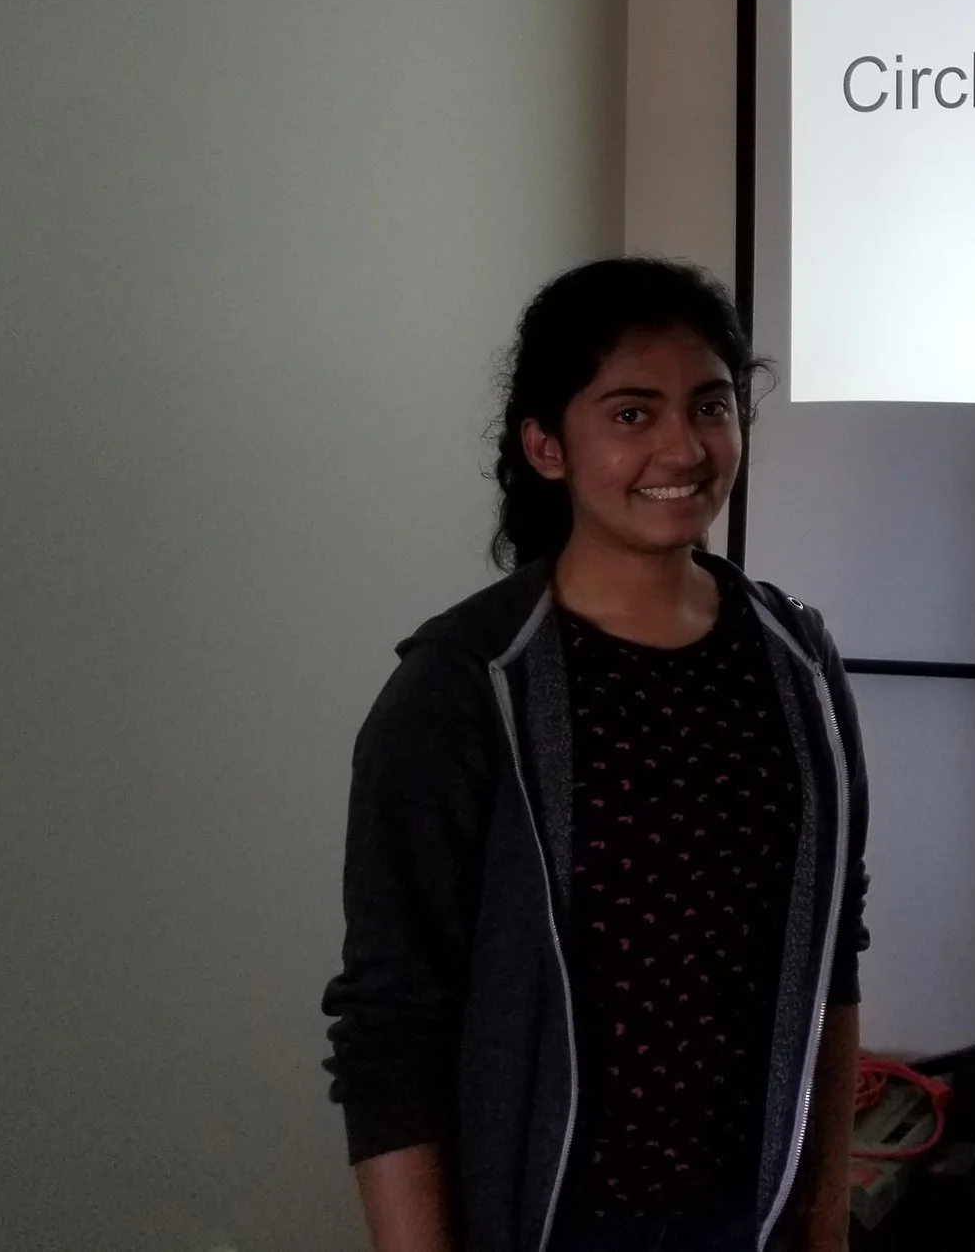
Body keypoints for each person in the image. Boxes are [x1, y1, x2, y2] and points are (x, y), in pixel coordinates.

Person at [324, 258, 867, 1252]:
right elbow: (390, 1023)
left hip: (753, 1219)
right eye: (630, 412)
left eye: (711, 405)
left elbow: (832, 951)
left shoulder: (799, 663)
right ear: (545, 446)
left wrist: (826, 1217)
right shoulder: (464, 688)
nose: (683, 446)